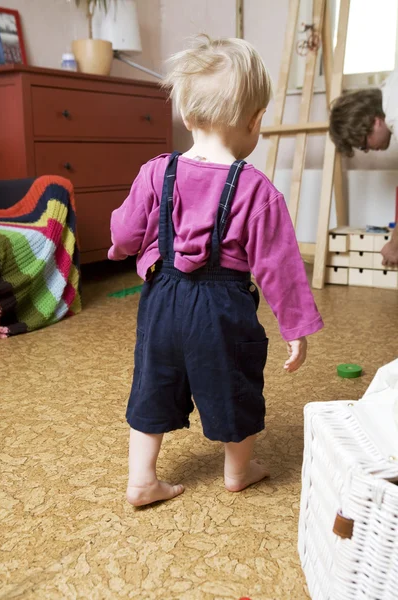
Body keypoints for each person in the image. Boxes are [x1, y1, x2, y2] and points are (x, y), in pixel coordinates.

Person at [108, 35, 324, 507]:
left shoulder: (155, 171)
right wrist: (296, 328)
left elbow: (126, 228)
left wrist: (120, 247)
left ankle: (142, 479)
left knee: (153, 380)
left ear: (188, 116)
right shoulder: (256, 189)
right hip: (222, 308)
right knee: (234, 382)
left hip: (162, 299)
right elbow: (279, 267)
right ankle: (238, 470)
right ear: (254, 121)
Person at [329, 70, 398, 266]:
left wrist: (395, 244)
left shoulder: (394, 114)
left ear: (375, 122)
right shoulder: (389, 89)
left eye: (362, 144)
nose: (367, 151)